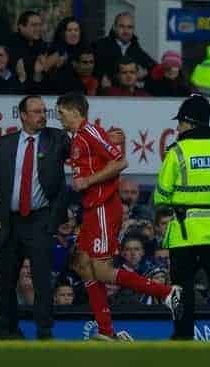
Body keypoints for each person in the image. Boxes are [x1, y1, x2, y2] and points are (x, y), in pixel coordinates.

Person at [56, 92, 181, 341]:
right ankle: (105, 331)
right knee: (82, 265)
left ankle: (167, 292)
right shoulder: (83, 135)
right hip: (92, 209)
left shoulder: (89, 132)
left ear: (74, 111)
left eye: (61, 112)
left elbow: (120, 162)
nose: (59, 117)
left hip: (103, 207)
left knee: (101, 271)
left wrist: (88, 180)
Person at [153, 94, 210, 340]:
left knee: (182, 289)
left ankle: (183, 336)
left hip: (184, 232)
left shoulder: (177, 151)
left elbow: (161, 195)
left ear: (190, 123)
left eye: (180, 122)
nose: (177, 126)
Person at [0, 95, 70, 339]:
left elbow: (80, 144)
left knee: (42, 280)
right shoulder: (4, 144)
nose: (42, 115)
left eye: (44, 111)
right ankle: (6, 330)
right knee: (5, 279)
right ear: (22, 115)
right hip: (9, 221)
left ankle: (44, 332)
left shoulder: (56, 139)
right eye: (36, 111)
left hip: (40, 220)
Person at [93, 12, 156, 86]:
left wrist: (146, 73)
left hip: (129, 95)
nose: (126, 31)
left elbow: (154, 68)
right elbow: (89, 67)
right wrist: (101, 78)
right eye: (122, 26)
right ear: (114, 27)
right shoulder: (99, 46)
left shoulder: (136, 49)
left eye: (129, 27)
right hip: (106, 94)